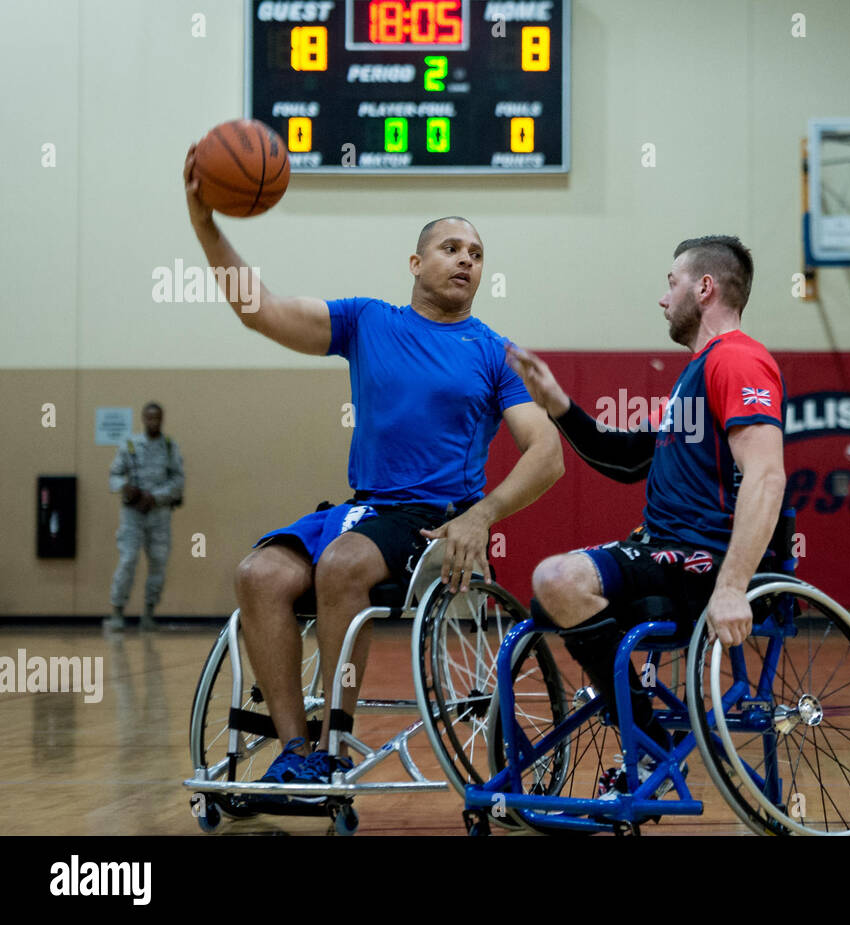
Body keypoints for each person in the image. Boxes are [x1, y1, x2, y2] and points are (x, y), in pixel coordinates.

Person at [182, 145, 564, 793]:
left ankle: (333, 742)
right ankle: (297, 749)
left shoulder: (494, 352)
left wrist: (483, 513)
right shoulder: (367, 321)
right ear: (415, 263)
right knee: (259, 573)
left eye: (475, 253)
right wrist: (205, 224)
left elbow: (547, 452)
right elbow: (260, 309)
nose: (466, 259)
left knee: (342, 564)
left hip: (435, 520)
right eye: (450, 248)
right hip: (362, 509)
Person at [507, 235, 786, 794]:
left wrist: (732, 587)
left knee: (556, 580)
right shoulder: (696, 374)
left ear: (704, 288)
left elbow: (767, 475)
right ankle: (655, 746)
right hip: (665, 553)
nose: (663, 299)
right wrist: (556, 401)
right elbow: (623, 457)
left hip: (701, 563)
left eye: (671, 282)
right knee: (550, 594)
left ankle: (652, 747)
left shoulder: (737, 359)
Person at [107, 402, 185, 632]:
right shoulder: (129, 445)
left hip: (159, 514)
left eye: (157, 418)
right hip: (132, 515)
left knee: (159, 564)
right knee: (128, 560)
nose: (153, 422)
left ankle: (149, 614)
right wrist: (126, 487)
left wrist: (154, 497)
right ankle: (117, 612)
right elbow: (113, 476)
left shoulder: (170, 447)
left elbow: (178, 482)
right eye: (149, 418)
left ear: (162, 419)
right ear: (143, 419)